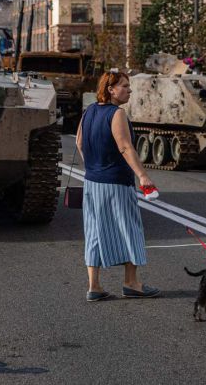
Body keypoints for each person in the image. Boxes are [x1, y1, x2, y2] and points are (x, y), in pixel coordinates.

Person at [76, 70, 159, 302]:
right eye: (124, 86)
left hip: (92, 182)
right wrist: (142, 176)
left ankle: (94, 286)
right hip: (116, 182)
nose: (129, 90)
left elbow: (79, 142)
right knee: (129, 228)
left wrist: (95, 165)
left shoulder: (89, 111)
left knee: (93, 231)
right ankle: (131, 283)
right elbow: (125, 147)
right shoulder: (117, 113)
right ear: (110, 89)